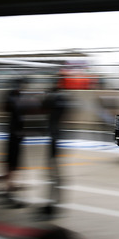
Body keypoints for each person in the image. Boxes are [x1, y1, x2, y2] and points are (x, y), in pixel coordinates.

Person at [40, 84, 69, 219]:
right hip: (57, 136)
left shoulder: (54, 100)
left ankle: (53, 205)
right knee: (54, 171)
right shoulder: (62, 101)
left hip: (54, 137)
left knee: (53, 172)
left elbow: (42, 105)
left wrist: (47, 96)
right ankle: (53, 203)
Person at [3, 78, 28, 206]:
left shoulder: (16, 99)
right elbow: (15, 114)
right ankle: (9, 185)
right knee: (12, 161)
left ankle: (12, 183)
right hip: (14, 134)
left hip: (17, 134)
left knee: (15, 161)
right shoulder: (12, 99)